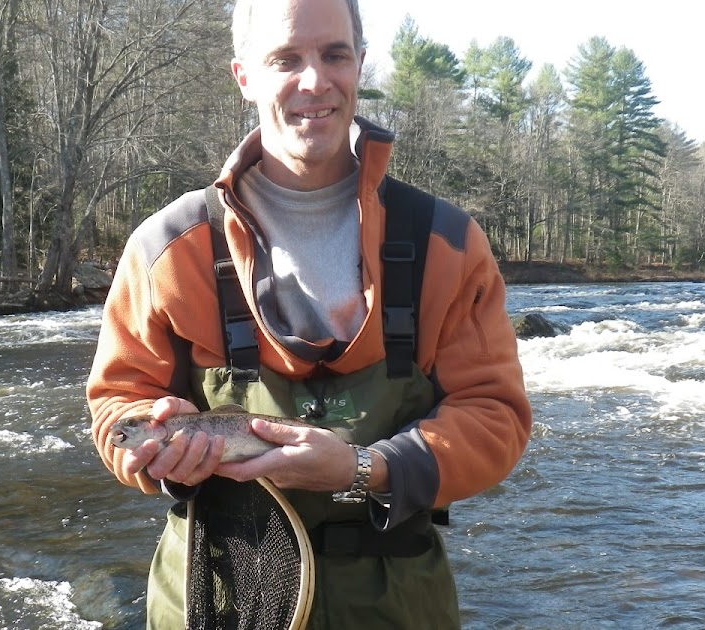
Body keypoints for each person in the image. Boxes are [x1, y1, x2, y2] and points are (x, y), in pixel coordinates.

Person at [86, 0, 532, 626]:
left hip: (398, 606)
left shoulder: (447, 244)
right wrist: (153, 452)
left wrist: (363, 468)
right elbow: (119, 403)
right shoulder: (166, 247)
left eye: (334, 55)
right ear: (244, 76)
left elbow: (495, 416)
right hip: (217, 597)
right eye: (285, 59)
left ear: (360, 64)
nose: (315, 81)